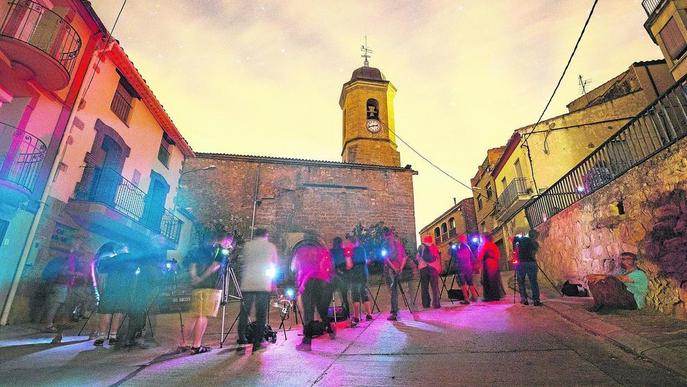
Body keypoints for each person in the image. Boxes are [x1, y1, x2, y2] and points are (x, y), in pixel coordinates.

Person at [177, 234, 226, 354]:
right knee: (203, 315)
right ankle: (196, 345)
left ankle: (183, 344)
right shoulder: (219, 250)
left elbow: (192, 265)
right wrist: (202, 278)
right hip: (210, 286)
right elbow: (215, 266)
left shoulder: (197, 249)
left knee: (193, 315)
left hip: (197, 287)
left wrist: (194, 277)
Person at [238, 228, 279, 353]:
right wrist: (273, 282)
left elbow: (243, 261)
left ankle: (242, 338)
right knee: (261, 314)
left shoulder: (247, 246)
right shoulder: (270, 246)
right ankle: (257, 341)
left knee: (244, 313)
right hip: (262, 283)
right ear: (266, 235)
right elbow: (274, 265)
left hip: (248, 283)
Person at [291, 244, 335, 352]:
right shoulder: (319, 251)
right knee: (321, 309)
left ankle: (307, 342)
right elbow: (328, 267)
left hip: (309, 283)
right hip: (322, 282)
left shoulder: (300, 252)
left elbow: (294, 268)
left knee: (308, 313)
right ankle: (330, 330)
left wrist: (301, 284)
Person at [92, 242, 128, 346]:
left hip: (111, 289)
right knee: (115, 312)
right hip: (118, 289)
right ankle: (111, 335)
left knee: (109, 312)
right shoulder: (121, 260)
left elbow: (101, 272)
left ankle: (103, 335)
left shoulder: (109, 260)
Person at [346, 234, 372, 325]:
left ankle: (356, 317)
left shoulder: (350, 251)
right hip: (364, 274)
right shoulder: (362, 249)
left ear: (351, 242)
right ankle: (369, 314)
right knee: (364, 292)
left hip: (355, 276)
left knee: (355, 295)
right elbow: (366, 261)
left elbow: (349, 265)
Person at [383, 229, 408, 320]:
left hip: (390, 269)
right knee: (394, 291)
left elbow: (386, 259)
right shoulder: (399, 244)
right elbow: (405, 257)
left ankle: (394, 312)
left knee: (393, 291)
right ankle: (395, 310)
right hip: (397, 269)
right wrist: (400, 268)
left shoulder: (387, 246)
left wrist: (395, 268)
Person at [514, 230, 542, 306]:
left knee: (521, 282)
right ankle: (536, 300)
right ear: (535, 236)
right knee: (533, 282)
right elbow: (533, 254)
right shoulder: (535, 243)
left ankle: (524, 299)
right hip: (531, 263)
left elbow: (515, 243)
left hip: (521, 263)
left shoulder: (522, 240)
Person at [417, 235, 441, 309]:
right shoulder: (434, 247)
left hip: (423, 268)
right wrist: (439, 267)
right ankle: (436, 303)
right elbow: (438, 258)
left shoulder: (421, 247)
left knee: (424, 287)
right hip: (433, 268)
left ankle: (426, 304)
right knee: (435, 287)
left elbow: (417, 258)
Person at [479, 234, 504, 302]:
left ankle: (489, 297)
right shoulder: (494, 245)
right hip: (494, 264)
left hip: (488, 264)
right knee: (494, 280)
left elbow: (481, 255)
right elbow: (497, 255)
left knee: (488, 280)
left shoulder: (485, 245)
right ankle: (496, 295)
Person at [330, 237, 350, 319]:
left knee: (331, 296)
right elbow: (348, 264)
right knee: (344, 296)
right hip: (344, 275)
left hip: (335, 275)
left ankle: (333, 315)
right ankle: (347, 314)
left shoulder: (331, 252)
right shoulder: (344, 251)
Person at [454, 235, 478, 305]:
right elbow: (472, 257)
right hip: (469, 267)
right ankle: (474, 297)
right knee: (470, 282)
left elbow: (459, 256)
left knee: (462, 283)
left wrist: (456, 252)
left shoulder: (461, 246)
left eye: (459, 238)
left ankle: (466, 299)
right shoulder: (468, 246)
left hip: (462, 267)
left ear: (460, 239)